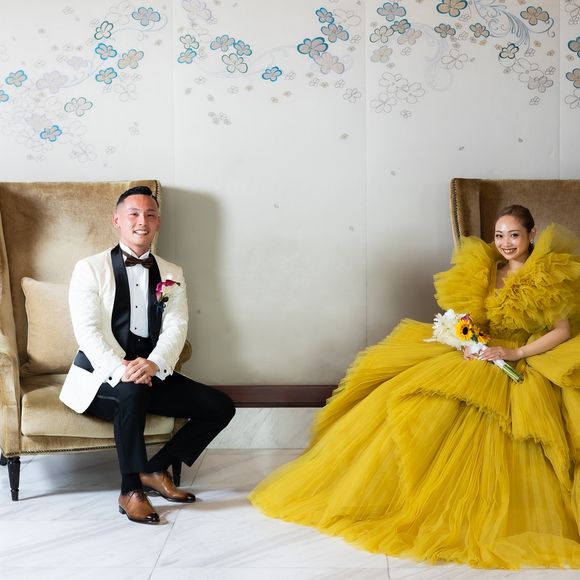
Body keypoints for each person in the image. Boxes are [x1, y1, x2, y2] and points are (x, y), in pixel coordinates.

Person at [250, 205, 580, 569]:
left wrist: (514, 352)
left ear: (532, 235)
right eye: (499, 235)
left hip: (526, 355)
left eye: (514, 235)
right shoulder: (486, 270)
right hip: (483, 353)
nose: (505, 243)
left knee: (502, 427)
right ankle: (390, 498)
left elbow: (562, 331)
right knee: (412, 399)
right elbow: (470, 322)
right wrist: (469, 343)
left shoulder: (548, 274)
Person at [60, 186, 235, 525]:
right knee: (132, 391)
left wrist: (153, 364)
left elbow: (177, 326)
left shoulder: (172, 273)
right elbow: (87, 331)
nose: (142, 221)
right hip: (100, 377)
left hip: (151, 372)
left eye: (150, 214)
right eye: (134, 214)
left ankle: (155, 470)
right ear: (117, 221)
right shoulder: (89, 268)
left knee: (220, 406)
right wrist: (121, 369)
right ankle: (130, 490)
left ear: (158, 223)